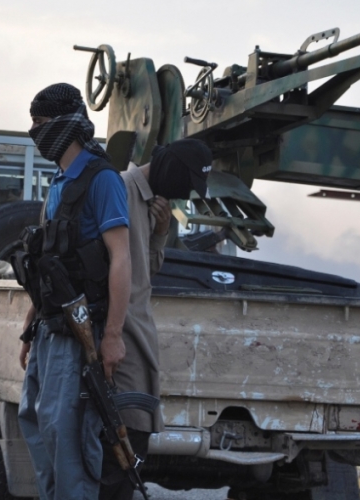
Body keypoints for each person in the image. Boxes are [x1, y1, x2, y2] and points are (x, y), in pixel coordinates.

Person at [16, 83, 131, 500]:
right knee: (36, 421)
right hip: (50, 328)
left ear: (66, 125)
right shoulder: (59, 182)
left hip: (81, 331)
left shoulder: (102, 181)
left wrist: (113, 335)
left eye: (42, 124)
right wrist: (30, 325)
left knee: (67, 434)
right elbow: (48, 263)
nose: (36, 133)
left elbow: (121, 258)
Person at [98, 139, 213, 500]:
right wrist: (112, 334)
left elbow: (145, 270)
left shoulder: (153, 204)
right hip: (122, 335)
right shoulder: (119, 188)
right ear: (170, 171)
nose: (183, 195)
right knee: (125, 439)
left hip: (139, 334)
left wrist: (161, 233)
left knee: (135, 440)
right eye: (185, 183)